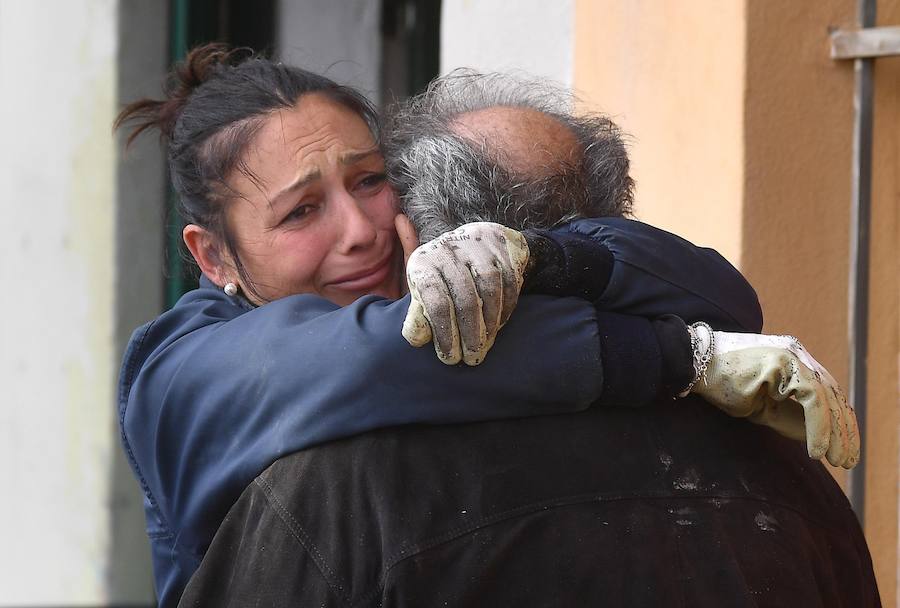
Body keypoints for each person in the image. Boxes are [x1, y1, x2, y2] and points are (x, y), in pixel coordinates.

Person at [115, 46, 859, 607]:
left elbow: (720, 291)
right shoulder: (179, 373)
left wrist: (546, 258)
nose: (360, 231)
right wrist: (676, 355)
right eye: (301, 211)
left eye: (370, 180)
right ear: (213, 256)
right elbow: (383, 357)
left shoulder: (464, 289)